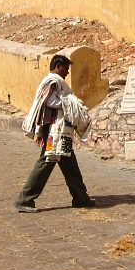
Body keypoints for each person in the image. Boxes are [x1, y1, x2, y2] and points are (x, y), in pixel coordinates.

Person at [13, 54, 94, 213]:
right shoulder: (53, 81)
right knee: (46, 162)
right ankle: (25, 199)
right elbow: (48, 102)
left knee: (69, 163)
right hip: (55, 131)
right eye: (66, 68)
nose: (67, 72)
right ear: (58, 66)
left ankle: (80, 197)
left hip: (62, 132)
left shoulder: (55, 82)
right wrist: (70, 103)